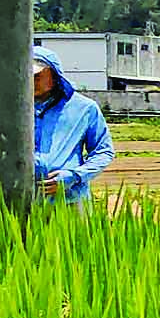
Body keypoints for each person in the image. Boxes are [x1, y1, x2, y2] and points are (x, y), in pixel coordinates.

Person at [30, 45, 114, 207]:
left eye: (37, 76)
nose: (31, 81)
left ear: (54, 76)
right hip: (21, 201)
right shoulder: (11, 110)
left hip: (70, 199)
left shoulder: (84, 108)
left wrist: (74, 176)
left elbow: (103, 151)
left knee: (74, 233)